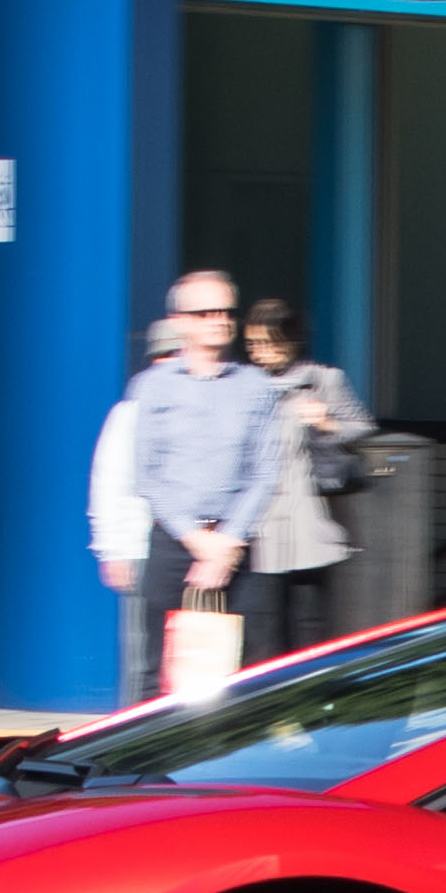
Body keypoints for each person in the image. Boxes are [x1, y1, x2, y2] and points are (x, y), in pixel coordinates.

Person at [122, 271, 284, 701]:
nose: (219, 320)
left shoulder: (256, 386)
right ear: (181, 321)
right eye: (206, 312)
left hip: (237, 547)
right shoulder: (153, 386)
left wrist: (226, 544)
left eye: (227, 311)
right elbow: (146, 474)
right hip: (175, 543)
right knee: (161, 670)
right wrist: (198, 543)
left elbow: (265, 472)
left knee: (245, 670)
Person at [237, 298, 376, 665]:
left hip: (306, 516)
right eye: (253, 344)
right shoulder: (241, 384)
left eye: (269, 343)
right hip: (258, 522)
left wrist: (326, 422)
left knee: (309, 624)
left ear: (292, 340)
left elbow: (363, 428)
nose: (260, 353)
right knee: (262, 630)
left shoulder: (323, 380)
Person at [92, 317, 184, 709]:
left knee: (189, 653)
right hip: (142, 547)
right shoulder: (130, 413)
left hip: (188, 547)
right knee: (145, 658)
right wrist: (112, 548)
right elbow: (109, 482)